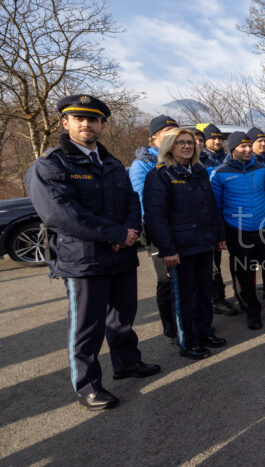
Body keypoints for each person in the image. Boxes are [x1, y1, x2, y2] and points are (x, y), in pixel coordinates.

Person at [24, 95, 160, 411]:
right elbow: (60, 214)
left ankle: (127, 363)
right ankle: (88, 385)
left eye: (93, 119)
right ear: (65, 122)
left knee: (122, 317)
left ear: (101, 124)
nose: (87, 124)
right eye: (79, 118)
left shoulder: (111, 163)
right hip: (83, 260)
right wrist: (115, 233)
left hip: (121, 254)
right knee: (87, 326)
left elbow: (130, 201)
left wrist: (131, 232)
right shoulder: (51, 164)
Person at [143, 128, 228, 360]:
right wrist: (167, 250)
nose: (187, 146)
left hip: (203, 243)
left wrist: (220, 235)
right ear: (169, 146)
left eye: (190, 142)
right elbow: (156, 217)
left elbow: (211, 206)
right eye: (181, 142)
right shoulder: (160, 175)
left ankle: (205, 332)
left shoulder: (198, 171)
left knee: (204, 292)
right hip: (180, 248)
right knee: (184, 297)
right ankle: (188, 342)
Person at [211, 132, 265, 330]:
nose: (247, 150)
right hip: (238, 231)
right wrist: (221, 235)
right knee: (244, 275)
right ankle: (252, 311)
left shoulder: (261, 168)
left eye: (249, 146)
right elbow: (216, 207)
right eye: (242, 147)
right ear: (233, 149)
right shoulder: (220, 173)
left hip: (264, 228)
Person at [129, 115, 180, 341]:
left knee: (185, 279)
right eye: (167, 131)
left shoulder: (180, 160)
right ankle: (170, 327)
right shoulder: (142, 164)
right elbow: (144, 203)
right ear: (154, 137)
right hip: (159, 231)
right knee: (166, 280)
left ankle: (187, 322)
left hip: (183, 229)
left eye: (175, 131)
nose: (172, 136)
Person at [198, 124, 234, 315]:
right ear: (205, 141)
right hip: (209, 219)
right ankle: (216, 300)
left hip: (227, 216)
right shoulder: (200, 161)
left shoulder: (228, 159)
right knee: (212, 264)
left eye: (220, 138)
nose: (217, 141)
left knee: (228, 260)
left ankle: (226, 296)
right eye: (212, 138)